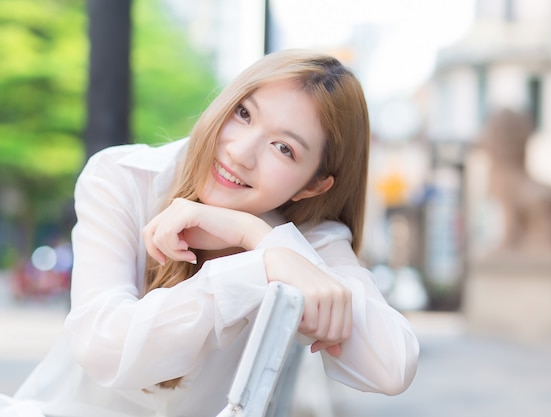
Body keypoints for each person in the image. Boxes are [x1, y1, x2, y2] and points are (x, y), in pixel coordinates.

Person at [0, 49, 419, 417]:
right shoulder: (124, 179)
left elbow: (392, 366)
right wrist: (260, 269)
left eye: (284, 148)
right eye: (244, 113)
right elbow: (101, 346)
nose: (239, 152)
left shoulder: (308, 238)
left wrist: (259, 236)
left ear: (313, 185)